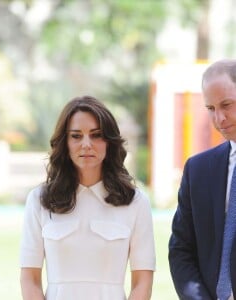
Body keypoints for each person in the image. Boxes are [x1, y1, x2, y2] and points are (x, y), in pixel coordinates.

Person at [19, 95, 156, 300]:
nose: (86, 144)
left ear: (109, 142)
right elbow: (29, 278)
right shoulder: (39, 200)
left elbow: (142, 282)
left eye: (96, 135)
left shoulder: (136, 202)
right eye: (76, 136)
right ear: (64, 142)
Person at [168, 59, 236, 299]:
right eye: (210, 108)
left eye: (227, 105)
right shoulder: (198, 170)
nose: (219, 118)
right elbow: (181, 249)